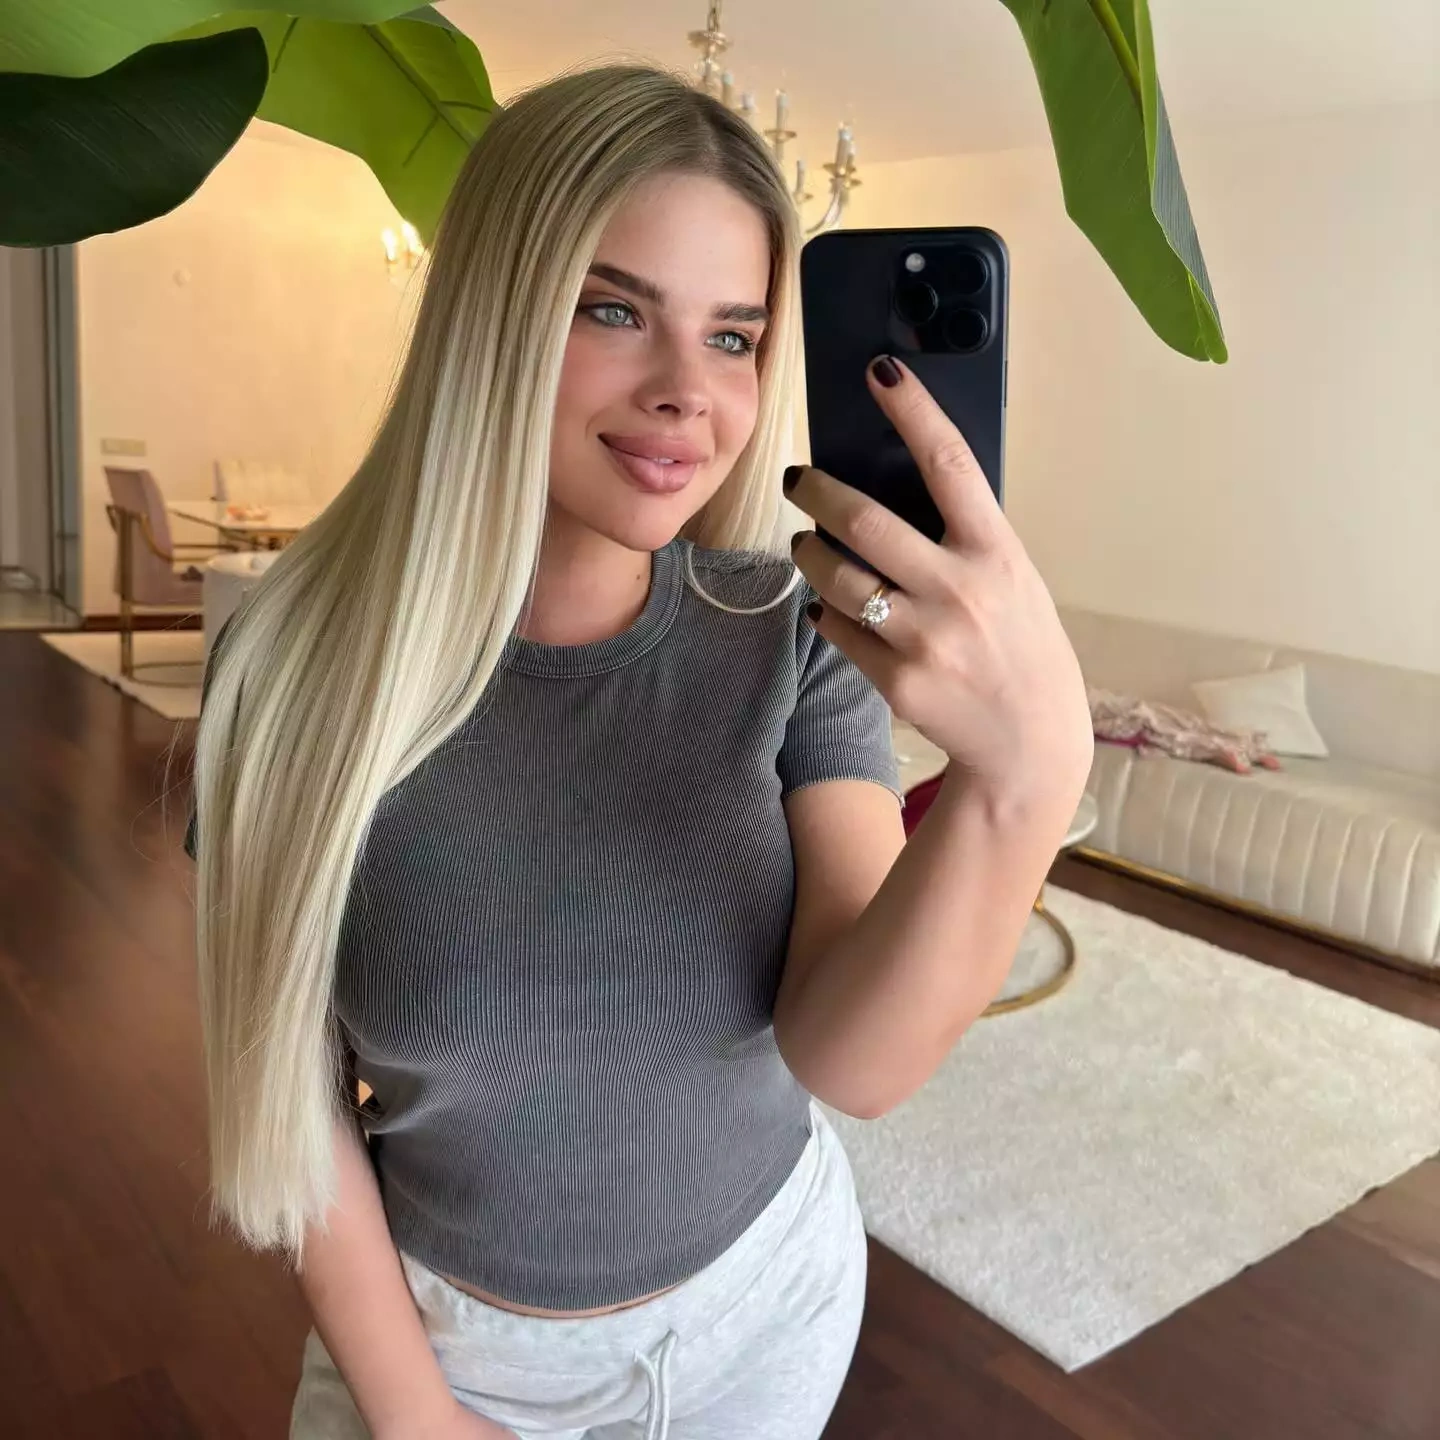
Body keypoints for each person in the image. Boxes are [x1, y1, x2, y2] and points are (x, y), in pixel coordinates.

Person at [179, 63, 1092, 1440]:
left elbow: (853, 1062)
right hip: (452, 1360)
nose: (687, 396)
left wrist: (1025, 783)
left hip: (765, 1319)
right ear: (495, 315)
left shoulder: (787, 634)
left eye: (733, 337)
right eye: (615, 311)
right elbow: (292, 1108)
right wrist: (421, 1422)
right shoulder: (292, 672)